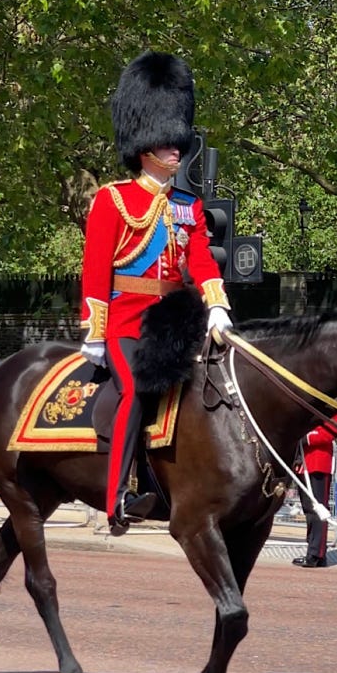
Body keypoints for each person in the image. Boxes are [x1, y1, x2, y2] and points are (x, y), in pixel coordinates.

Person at [80, 51, 233, 537]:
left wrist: (217, 307)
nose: (176, 150)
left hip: (174, 320)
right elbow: (95, 271)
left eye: (177, 143)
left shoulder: (189, 205)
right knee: (132, 392)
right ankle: (118, 496)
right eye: (167, 143)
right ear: (145, 146)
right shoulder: (113, 199)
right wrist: (96, 333)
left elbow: (202, 260)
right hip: (126, 323)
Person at [292, 412, 337, 568]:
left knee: (318, 510)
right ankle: (314, 551)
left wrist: (304, 437)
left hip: (318, 463)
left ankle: (316, 553)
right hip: (304, 463)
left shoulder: (336, 410)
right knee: (309, 510)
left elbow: (327, 434)